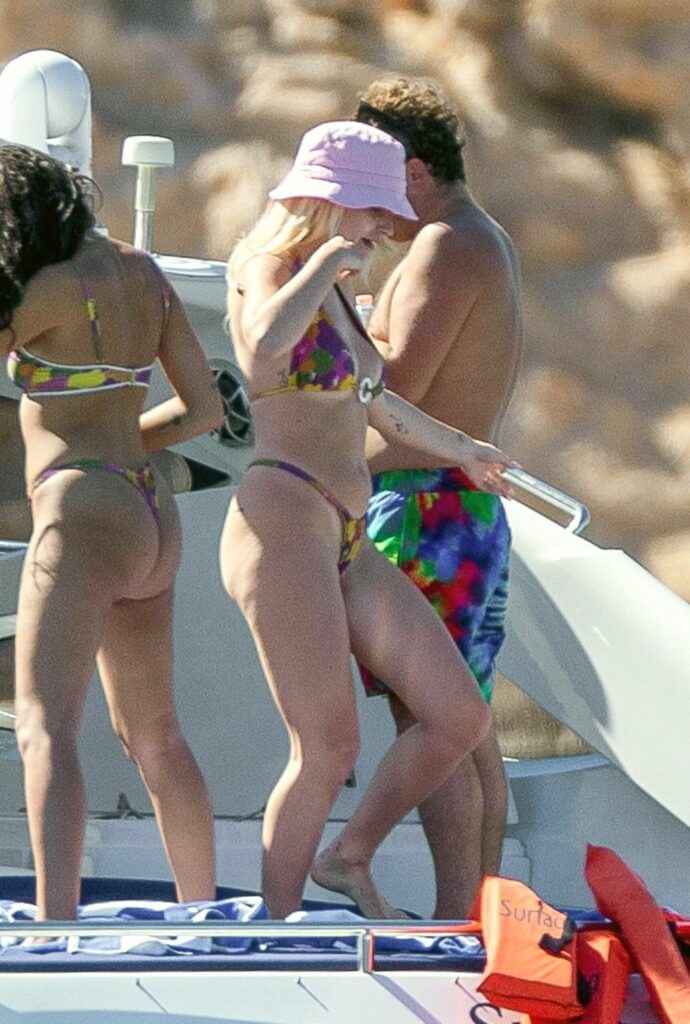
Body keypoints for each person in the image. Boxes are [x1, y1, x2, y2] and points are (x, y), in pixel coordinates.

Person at [220, 120, 516, 919]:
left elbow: (376, 400)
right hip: (283, 522)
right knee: (326, 748)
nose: (386, 226)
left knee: (458, 714)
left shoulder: (336, 288)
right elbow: (263, 350)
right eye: (374, 210)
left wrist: (462, 449)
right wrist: (323, 262)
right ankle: (277, 928)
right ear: (330, 199)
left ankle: (347, 855)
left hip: (346, 534)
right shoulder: (267, 265)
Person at [0, 145, 222, 920]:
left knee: (44, 727)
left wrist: (80, 462)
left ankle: (53, 931)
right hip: (149, 511)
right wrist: (118, 448)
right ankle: (204, 919)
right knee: (157, 738)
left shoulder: (42, 290)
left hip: (82, 515)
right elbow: (204, 411)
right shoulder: (145, 273)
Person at [354, 78, 523, 918]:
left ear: (413, 171)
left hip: (429, 511)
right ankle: (478, 920)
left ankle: (459, 920)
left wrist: (341, 327)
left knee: (432, 727)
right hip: (458, 509)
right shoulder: (477, 239)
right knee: (465, 729)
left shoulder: (444, 247)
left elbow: (394, 388)